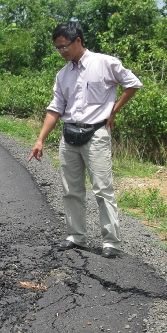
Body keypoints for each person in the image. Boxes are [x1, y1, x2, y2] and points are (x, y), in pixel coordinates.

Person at [28, 21, 142, 258]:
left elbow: (132, 84)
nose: (62, 52)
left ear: (78, 40)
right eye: (58, 48)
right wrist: (40, 139)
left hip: (96, 133)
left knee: (102, 189)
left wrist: (114, 110)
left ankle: (111, 242)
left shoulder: (104, 63)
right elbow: (55, 108)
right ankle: (76, 236)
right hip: (69, 134)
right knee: (71, 189)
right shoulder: (63, 74)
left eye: (64, 46)